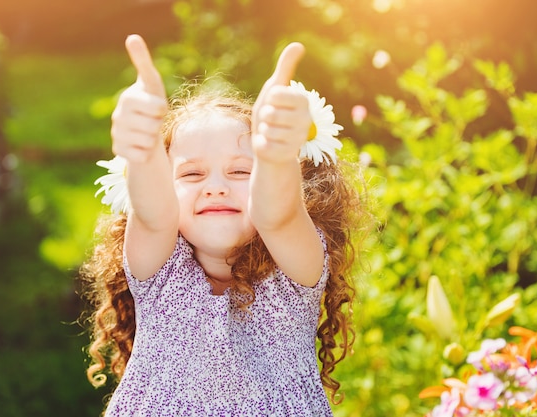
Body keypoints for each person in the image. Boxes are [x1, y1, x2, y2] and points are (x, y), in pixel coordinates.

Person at [81, 34, 363, 416]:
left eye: (241, 170)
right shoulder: (158, 274)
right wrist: (143, 151)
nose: (215, 187)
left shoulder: (295, 276)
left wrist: (276, 156)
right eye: (192, 174)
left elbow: (276, 214)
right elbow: (153, 214)